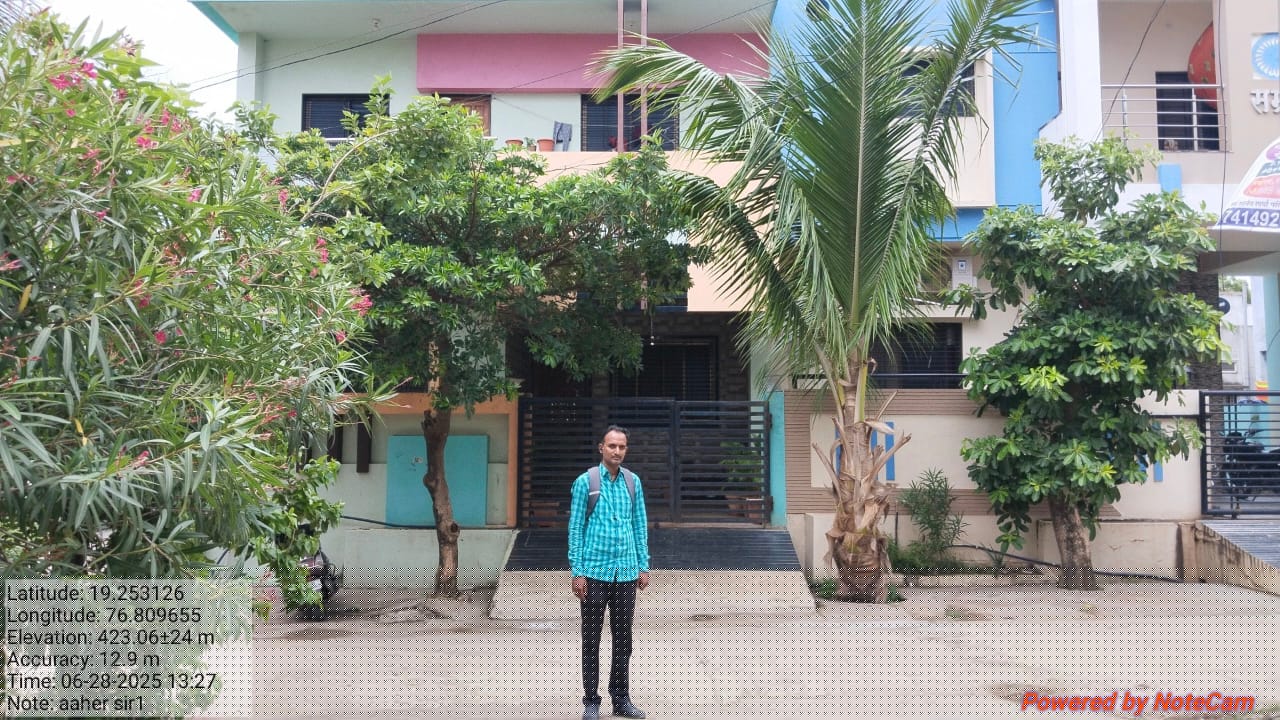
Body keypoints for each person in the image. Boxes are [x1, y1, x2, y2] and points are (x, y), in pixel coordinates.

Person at [568, 425, 650, 720]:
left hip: (626, 571)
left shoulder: (633, 482)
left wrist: (643, 565)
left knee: (623, 640)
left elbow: (639, 525)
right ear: (601, 447)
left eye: (622, 446)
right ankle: (591, 701)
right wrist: (577, 572)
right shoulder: (585, 482)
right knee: (591, 639)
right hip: (593, 572)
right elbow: (575, 529)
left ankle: (621, 699)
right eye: (612, 445)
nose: (617, 451)